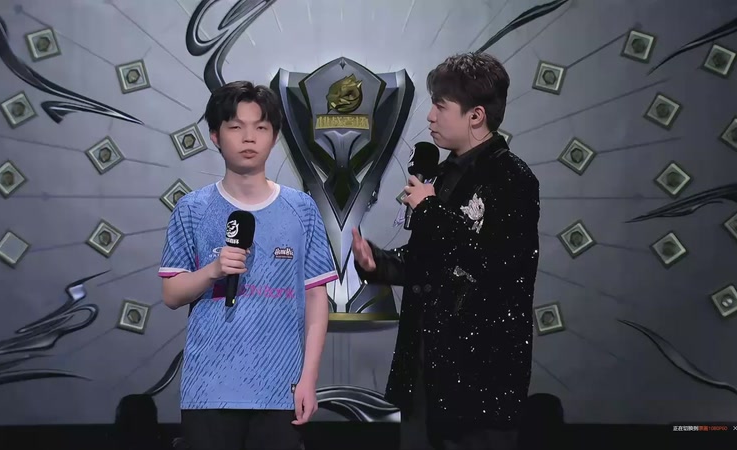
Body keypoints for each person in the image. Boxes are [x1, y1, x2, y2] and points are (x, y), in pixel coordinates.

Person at [352, 52, 540, 450]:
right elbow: (429, 262)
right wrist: (377, 262)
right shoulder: (440, 175)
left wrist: (431, 209)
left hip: (481, 377)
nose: (430, 117)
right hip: (424, 370)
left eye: (440, 106)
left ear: (476, 116)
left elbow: (498, 264)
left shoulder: (512, 178)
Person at [158, 81, 337, 450]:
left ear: (274, 137)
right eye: (236, 127)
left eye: (261, 127)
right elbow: (172, 294)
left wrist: (309, 378)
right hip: (208, 388)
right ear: (215, 135)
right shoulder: (192, 209)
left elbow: (316, 299)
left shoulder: (301, 209)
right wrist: (213, 270)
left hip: (279, 386)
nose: (249, 137)